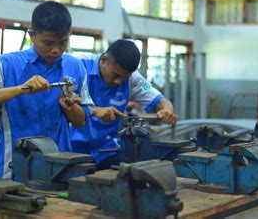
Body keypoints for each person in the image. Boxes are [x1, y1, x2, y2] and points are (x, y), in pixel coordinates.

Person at [0, 1, 93, 178]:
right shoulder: (6, 64)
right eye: (48, 42)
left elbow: (81, 121)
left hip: (60, 167)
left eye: (63, 42)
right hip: (15, 167)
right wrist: (21, 89)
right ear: (32, 35)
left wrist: (69, 106)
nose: (56, 50)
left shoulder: (76, 67)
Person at [71, 39, 178, 170]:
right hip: (70, 150)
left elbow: (163, 102)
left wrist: (167, 111)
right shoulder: (77, 67)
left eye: (124, 78)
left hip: (105, 152)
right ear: (104, 60)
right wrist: (95, 110)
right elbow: (63, 101)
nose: (118, 81)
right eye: (115, 75)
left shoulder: (132, 78)